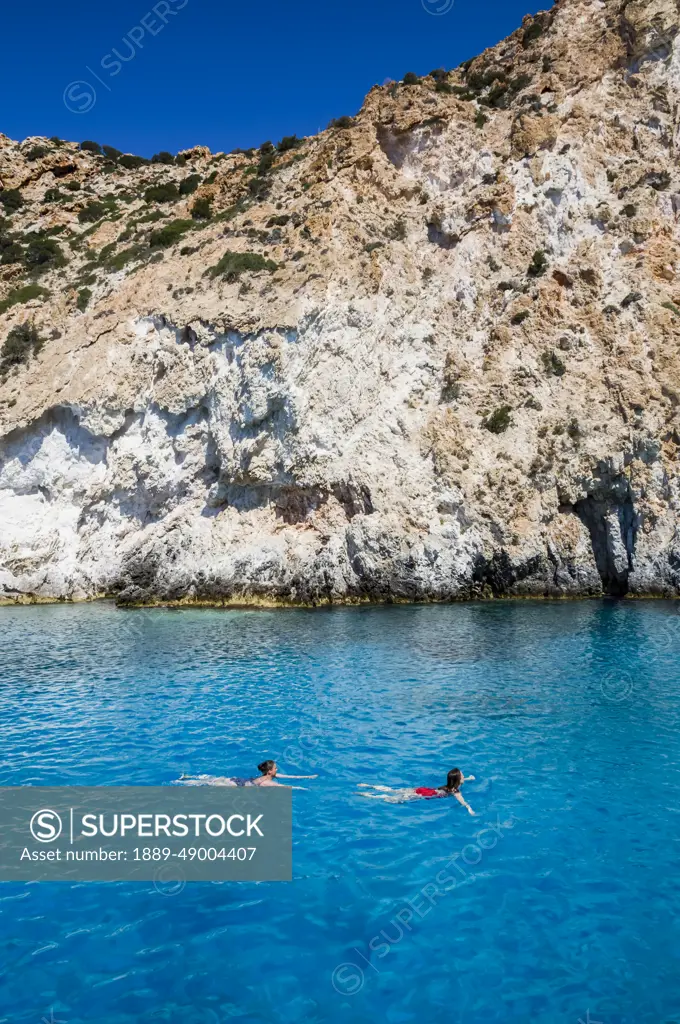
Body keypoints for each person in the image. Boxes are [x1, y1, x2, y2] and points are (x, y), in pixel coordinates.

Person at [357, 768, 476, 814]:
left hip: (423, 789)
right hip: (425, 794)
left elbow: (461, 780)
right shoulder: (456, 791)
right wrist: (469, 809)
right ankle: (369, 795)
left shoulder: (450, 785)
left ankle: (369, 786)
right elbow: (463, 802)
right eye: (462, 775)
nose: (463, 776)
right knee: (393, 800)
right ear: (459, 779)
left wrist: (469, 778)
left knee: (394, 790)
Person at [177, 759, 317, 790]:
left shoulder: (270, 776)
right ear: (269, 771)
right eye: (275, 768)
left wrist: (307, 777)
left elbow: (291, 778)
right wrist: (303, 789)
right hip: (237, 784)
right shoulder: (266, 782)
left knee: (213, 779)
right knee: (209, 783)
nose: (277, 770)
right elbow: (287, 787)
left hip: (240, 780)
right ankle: (184, 781)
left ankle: (188, 777)